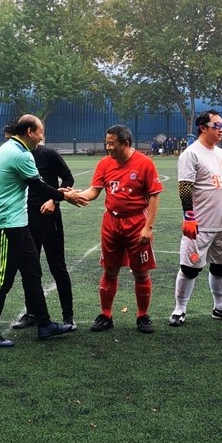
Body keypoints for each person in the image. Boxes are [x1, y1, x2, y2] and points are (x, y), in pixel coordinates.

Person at [0, 115, 87, 349]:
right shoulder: (21, 154)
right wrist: (66, 196)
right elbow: (39, 186)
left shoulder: (6, 148)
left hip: (18, 224)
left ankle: (44, 324)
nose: (42, 137)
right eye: (40, 132)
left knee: (32, 273)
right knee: (2, 280)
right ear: (29, 131)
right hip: (7, 225)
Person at [72, 124, 163, 333]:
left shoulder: (144, 163)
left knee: (140, 272)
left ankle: (142, 316)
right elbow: (94, 191)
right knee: (109, 270)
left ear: (126, 143)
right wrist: (74, 195)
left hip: (137, 223)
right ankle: (106, 315)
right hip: (111, 223)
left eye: (112, 144)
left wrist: (148, 227)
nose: (108, 147)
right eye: (107, 143)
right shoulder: (105, 164)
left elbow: (154, 196)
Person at [169, 109, 222, 326]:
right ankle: (179, 309)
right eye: (216, 126)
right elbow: (185, 187)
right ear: (203, 128)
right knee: (190, 268)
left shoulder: (221, 154)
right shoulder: (191, 154)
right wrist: (189, 217)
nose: (221, 130)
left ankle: (220, 307)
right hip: (200, 225)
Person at [9, 137, 77, 330]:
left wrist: (54, 200)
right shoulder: (18, 156)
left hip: (49, 218)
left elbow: (68, 178)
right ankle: (32, 313)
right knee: (29, 269)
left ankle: (68, 317)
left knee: (57, 267)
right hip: (25, 219)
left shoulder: (48, 154)